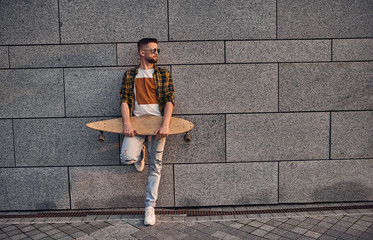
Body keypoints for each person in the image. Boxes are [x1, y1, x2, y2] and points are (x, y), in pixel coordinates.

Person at [119, 38, 175, 226]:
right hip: (136, 125)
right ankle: (140, 152)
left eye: (157, 49)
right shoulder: (130, 75)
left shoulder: (163, 74)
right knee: (127, 158)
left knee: (156, 165)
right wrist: (127, 124)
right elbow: (125, 100)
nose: (156, 52)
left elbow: (169, 100)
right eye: (153, 50)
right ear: (142, 52)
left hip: (158, 125)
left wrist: (165, 125)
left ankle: (150, 208)